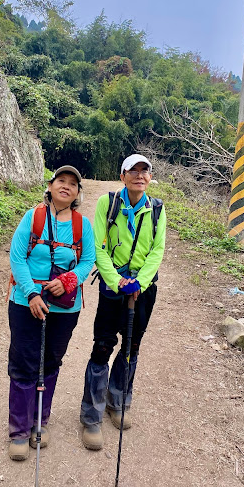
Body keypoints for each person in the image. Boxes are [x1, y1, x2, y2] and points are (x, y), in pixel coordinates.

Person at [7, 165, 95, 461]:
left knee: (51, 361)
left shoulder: (83, 225)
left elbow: (88, 261)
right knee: (24, 362)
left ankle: (39, 422)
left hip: (64, 307)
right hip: (25, 301)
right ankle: (19, 430)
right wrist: (31, 292)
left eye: (73, 183)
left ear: (78, 193)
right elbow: (17, 256)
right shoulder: (33, 217)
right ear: (51, 186)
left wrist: (69, 279)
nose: (66, 186)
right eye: (61, 181)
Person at [80, 154, 166, 450]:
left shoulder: (156, 209)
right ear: (123, 175)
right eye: (134, 171)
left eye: (145, 171)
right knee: (103, 346)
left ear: (149, 177)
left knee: (131, 346)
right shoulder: (109, 203)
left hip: (142, 291)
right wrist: (117, 280)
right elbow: (98, 246)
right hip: (112, 286)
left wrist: (139, 283)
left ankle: (117, 402)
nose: (139, 176)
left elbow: (157, 250)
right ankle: (91, 414)